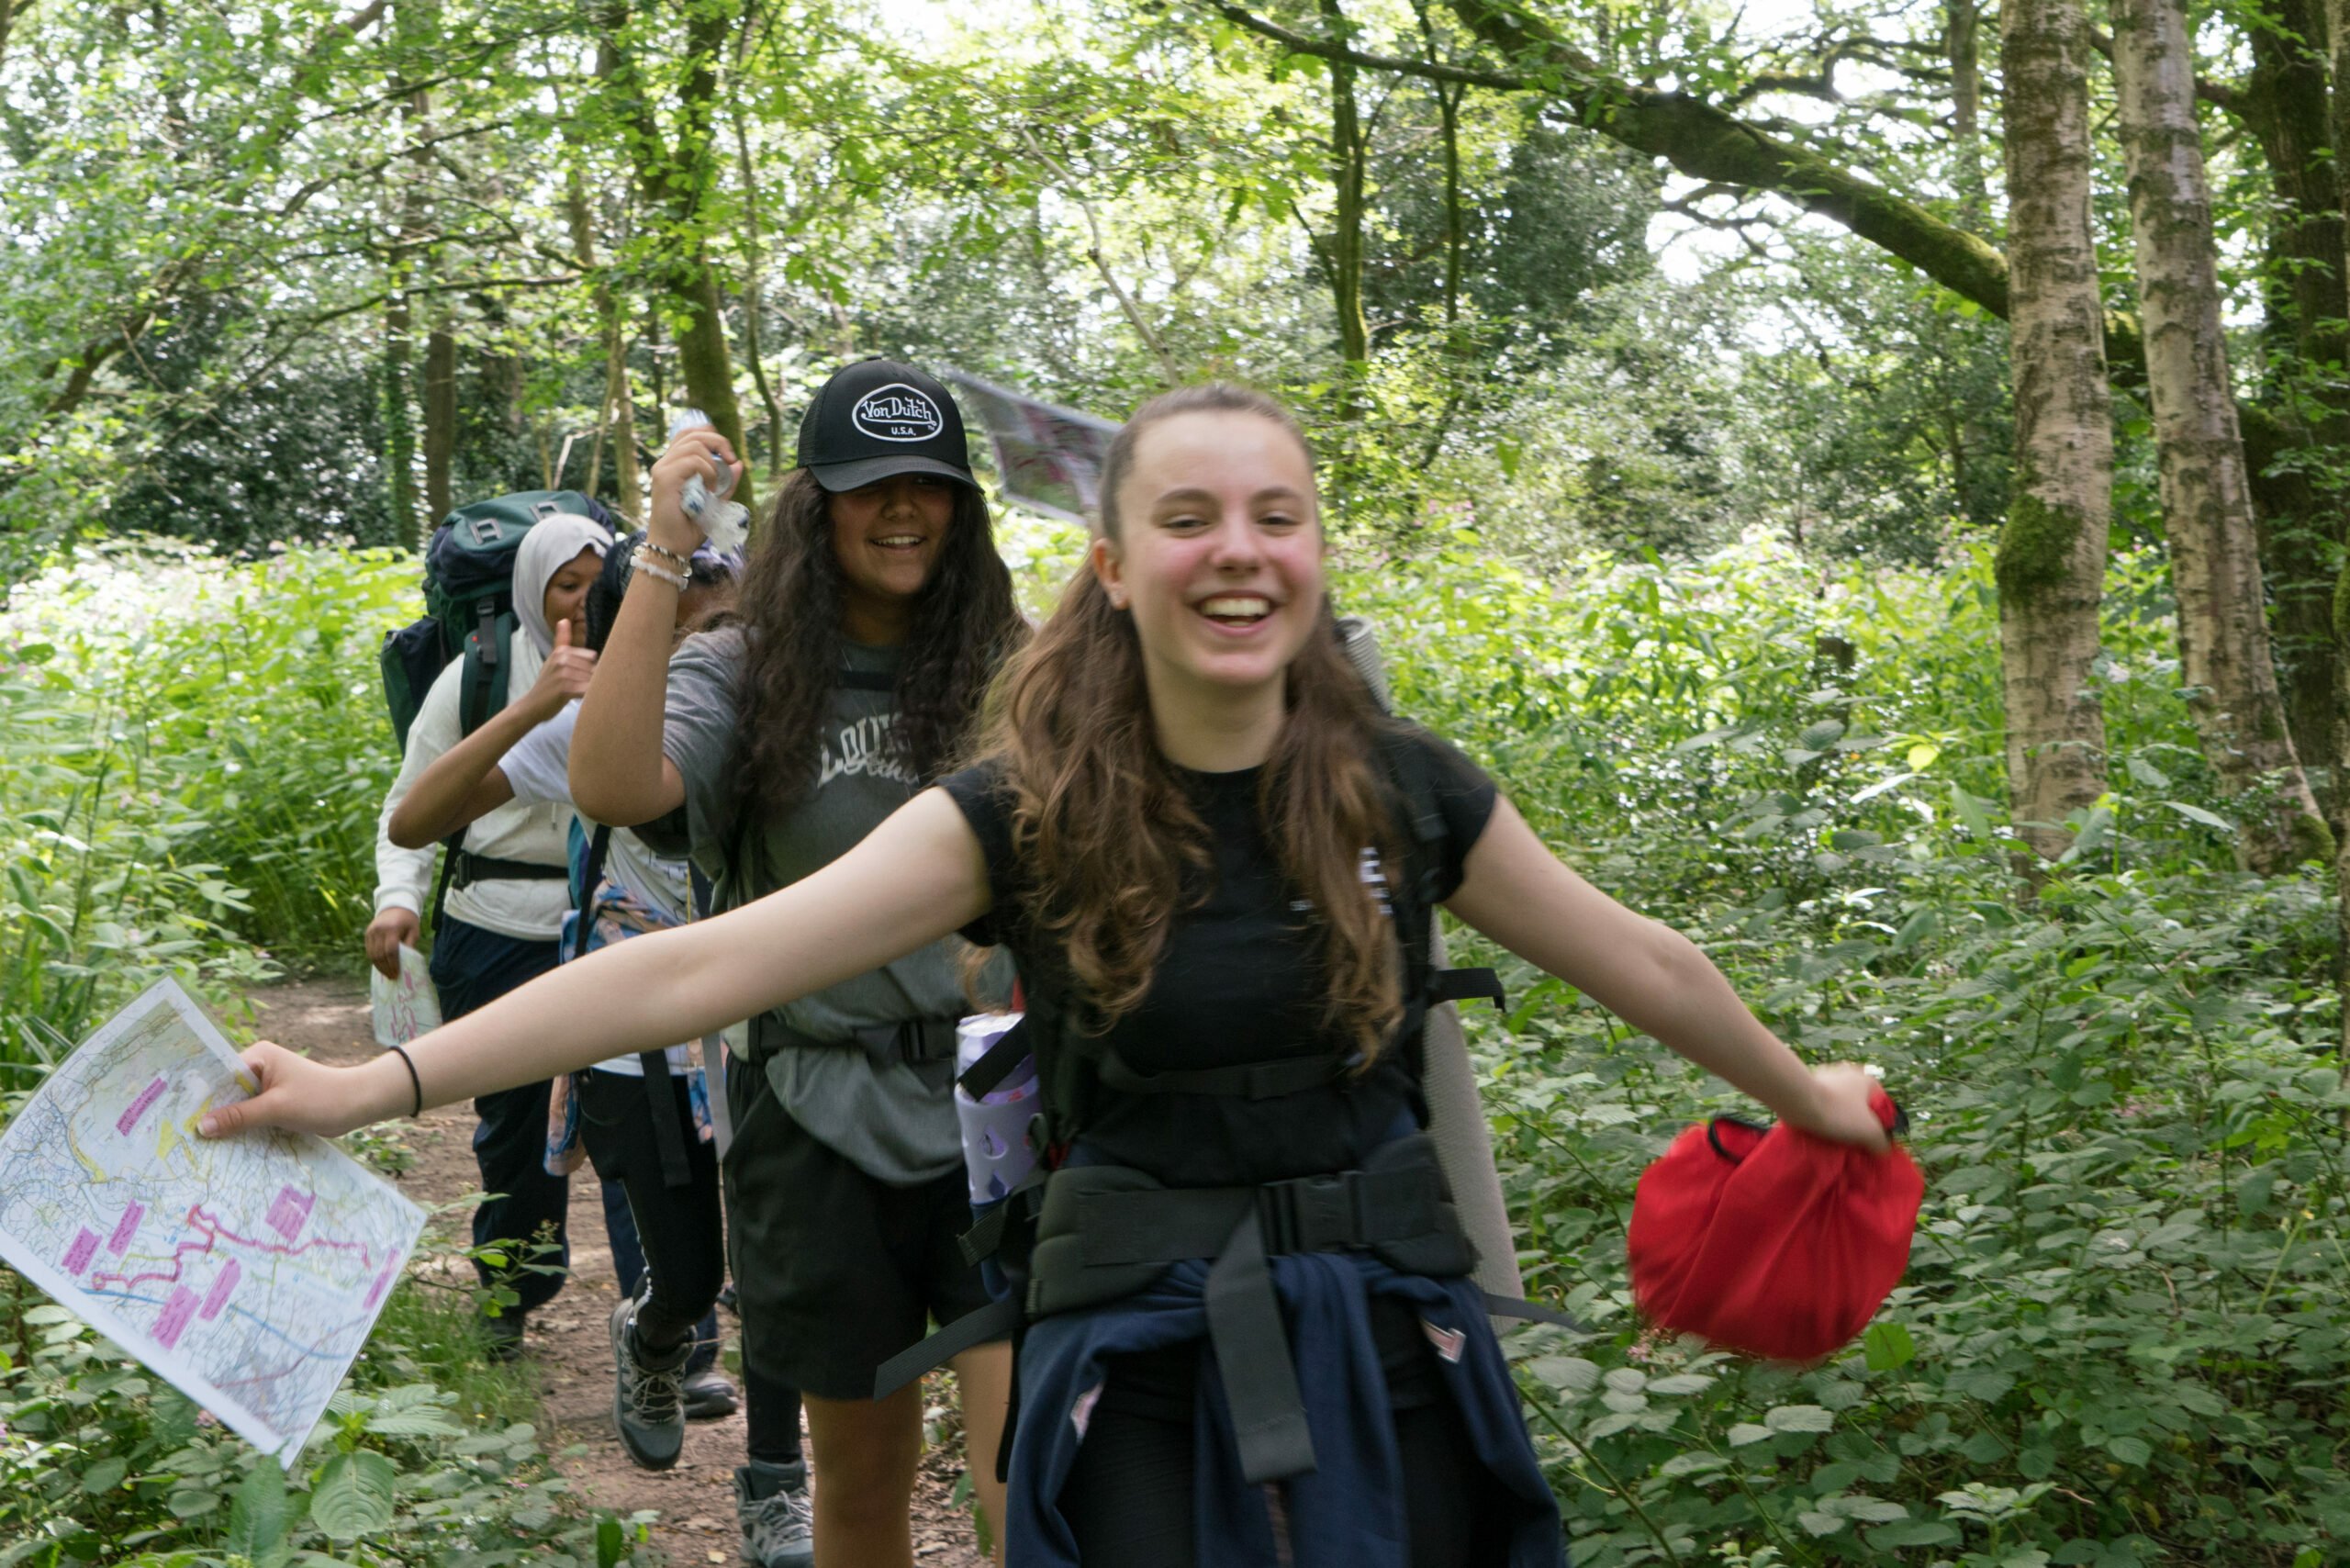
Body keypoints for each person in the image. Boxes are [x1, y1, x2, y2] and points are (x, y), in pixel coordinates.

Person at [218, 383, 1895, 1566]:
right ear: (1113, 565)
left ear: (1314, 555)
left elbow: (1644, 958)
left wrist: (1805, 1095)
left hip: (1397, 1343)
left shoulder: (1407, 785)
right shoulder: (1023, 809)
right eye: (1186, 516)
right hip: (1145, 1350)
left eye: (1276, 514)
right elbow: (700, 967)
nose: (1237, 548)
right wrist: (373, 1083)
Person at [565, 359, 1027, 1566]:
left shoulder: (1013, 670)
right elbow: (612, 787)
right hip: (812, 1116)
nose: (904, 511)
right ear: (815, 506)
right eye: (870, 488)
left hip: (999, 1113)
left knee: (1020, 1485)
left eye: (931, 485)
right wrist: (662, 554)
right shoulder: (748, 671)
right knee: (862, 1492)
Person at [382, 536, 816, 1565]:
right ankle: (653, 1334)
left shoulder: (785, 717)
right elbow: (418, 814)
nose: (722, 645)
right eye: (694, 627)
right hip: (636, 1041)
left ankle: (775, 1482)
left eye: (736, 621)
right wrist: (535, 706)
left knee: (772, 1269)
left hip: (763, 1031)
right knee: (690, 1270)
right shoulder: (585, 729)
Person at [363, 513, 609, 1358]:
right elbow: (412, 801)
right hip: (491, 927)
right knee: (511, 1128)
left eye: (594, 583)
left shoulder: (642, 672)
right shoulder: (479, 675)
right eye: (564, 585)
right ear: (528, 590)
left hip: (603, 928)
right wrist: (398, 898)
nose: (580, 601)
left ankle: (664, 1316)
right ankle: (510, 1290)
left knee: (626, 1118)